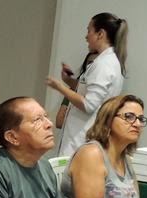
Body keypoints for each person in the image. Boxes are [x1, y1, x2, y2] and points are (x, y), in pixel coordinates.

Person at [47, 12, 128, 157]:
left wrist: (59, 87)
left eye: (89, 31)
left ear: (100, 34)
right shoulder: (105, 62)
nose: (86, 37)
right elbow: (90, 92)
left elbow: (89, 105)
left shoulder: (104, 64)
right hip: (83, 139)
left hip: (83, 140)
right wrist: (69, 81)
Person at [61, 94, 145, 198]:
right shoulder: (91, 154)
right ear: (109, 119)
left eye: (141, 119)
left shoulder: (126, 159)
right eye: (129, 117)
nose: (138, 124)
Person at [55, 52, 98, 129]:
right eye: (89, 64)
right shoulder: (73, 91)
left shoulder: (104, 94)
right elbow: (59, 122)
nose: (91, 68)